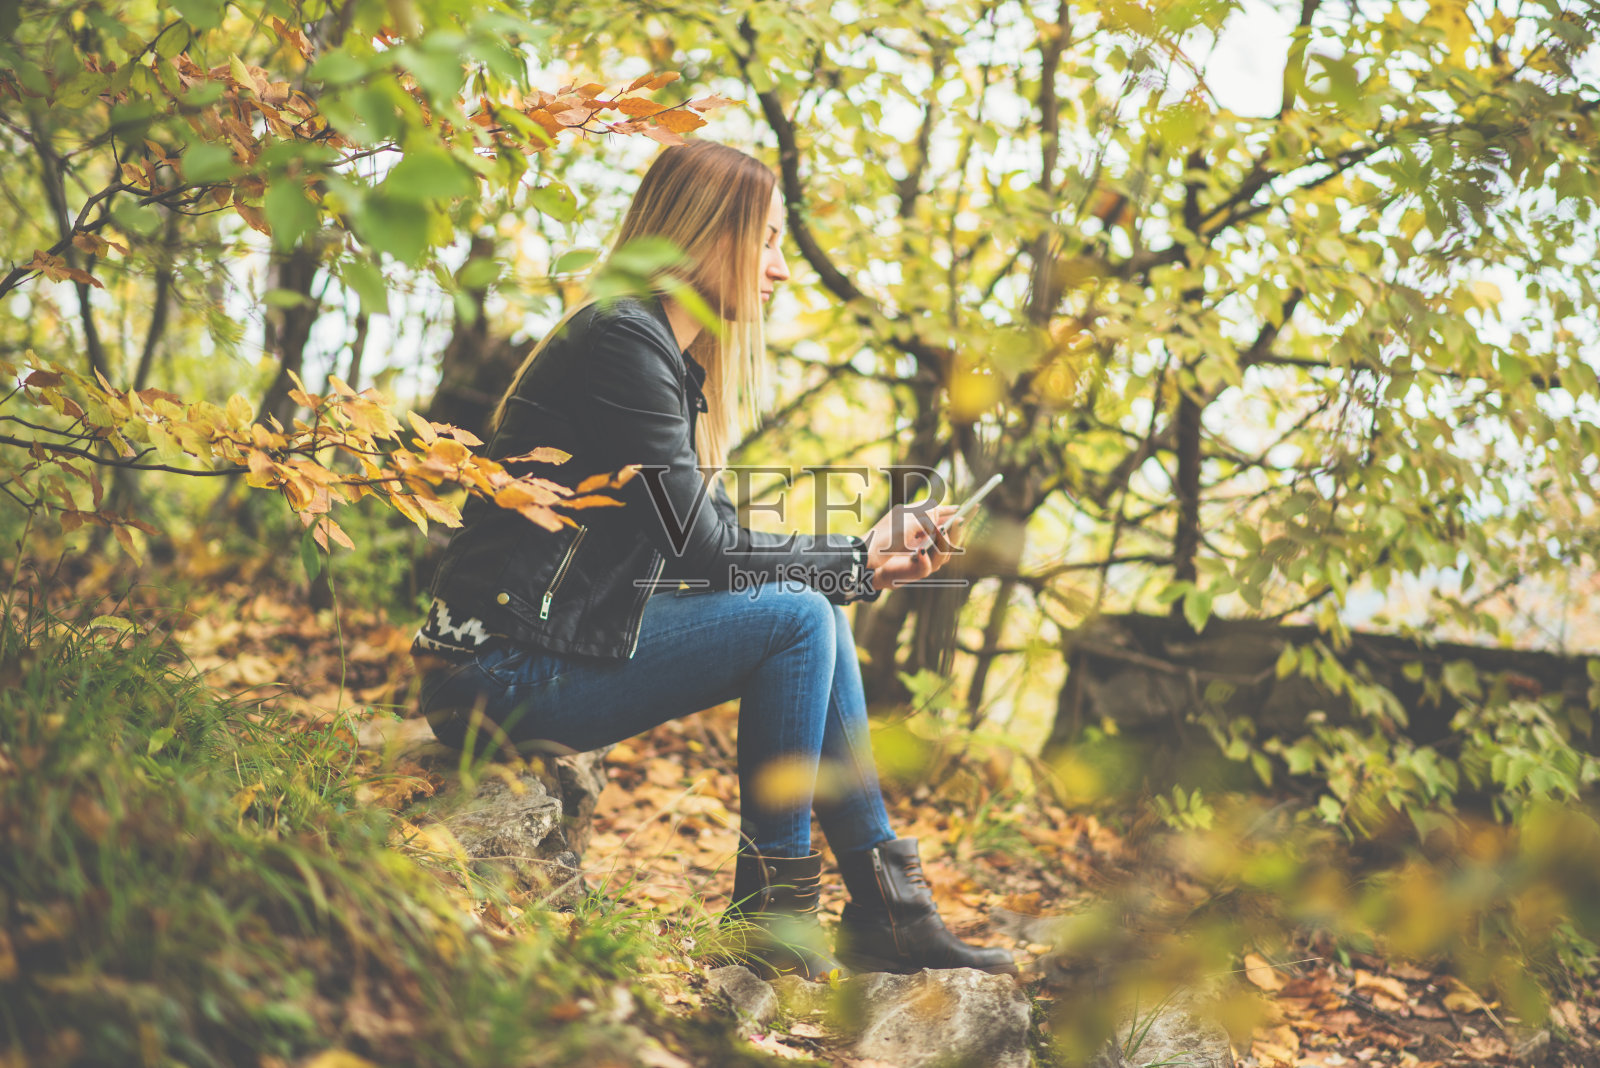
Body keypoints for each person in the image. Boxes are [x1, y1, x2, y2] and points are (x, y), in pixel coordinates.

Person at [410, 140, 1016, 981]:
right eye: (767, 240)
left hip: (530, 650)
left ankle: (887, 912)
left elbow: (703, 550)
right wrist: (854, 555)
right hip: (496, 670)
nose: (782, 269)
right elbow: (707, 551)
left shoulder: (656, 354)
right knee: (801, 616)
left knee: (814, 611)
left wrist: (862, 563)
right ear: (707, 235)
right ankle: (777, 921)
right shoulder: (625, 344)